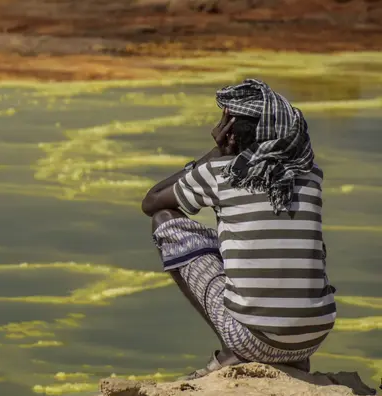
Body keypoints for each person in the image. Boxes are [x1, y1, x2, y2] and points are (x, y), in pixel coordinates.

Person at [141, 79, 337, 379]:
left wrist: (215, 154)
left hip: (254, 341)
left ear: (229, 132)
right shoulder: (310, 174)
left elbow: (152, 201)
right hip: (313, 337)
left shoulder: (222, 173)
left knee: (165, 221)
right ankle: (291, 357)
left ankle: (232, 350)